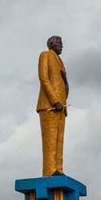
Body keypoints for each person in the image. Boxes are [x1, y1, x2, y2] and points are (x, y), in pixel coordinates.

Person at [36, 35, 69, 176]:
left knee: (59, 141)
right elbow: (44, 78)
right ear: (51, 44)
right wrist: (55, 100)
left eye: (62, 43)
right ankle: (50, 170)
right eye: (59, 43)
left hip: (62, 107)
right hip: (50, 105)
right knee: (50, 140)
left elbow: (63, 84)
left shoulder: (61, 61)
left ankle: (59, 169)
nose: (61, 46)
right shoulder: (45, 55)